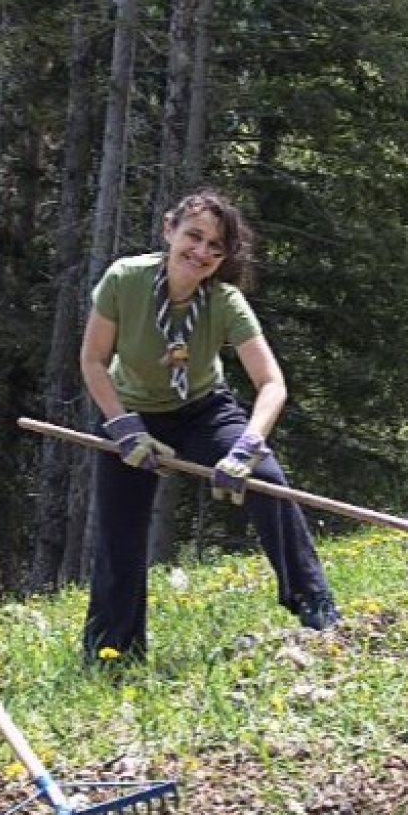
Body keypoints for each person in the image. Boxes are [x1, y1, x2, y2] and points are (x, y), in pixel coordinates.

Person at [79, 189, 340, 664]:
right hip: (130, 412)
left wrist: (246, 446)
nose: (200, 253)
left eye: (215, 248)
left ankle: (314, 604)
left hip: (202, 407)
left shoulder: (225, 302)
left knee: (268, 481)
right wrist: (122, 427)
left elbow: (272, 383)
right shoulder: (124, 279)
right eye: (193, 237)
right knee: (120, 533)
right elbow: (94, 361)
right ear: (168, 231)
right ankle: (112, 651)